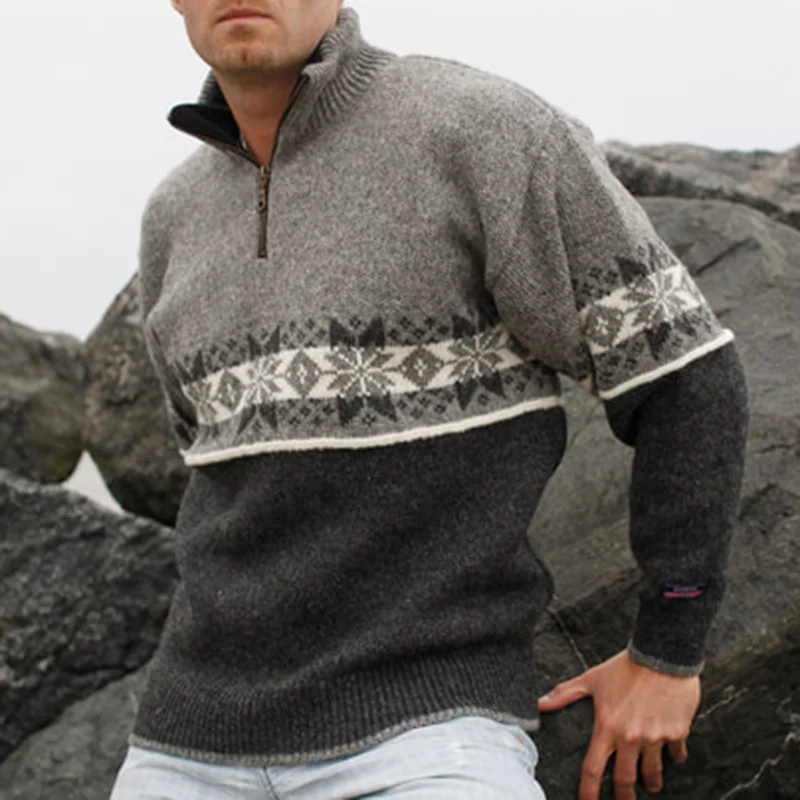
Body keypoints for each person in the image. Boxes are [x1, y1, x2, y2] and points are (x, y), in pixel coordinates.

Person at [110, 2, 749, 799]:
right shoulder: (173, 216)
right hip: (185, 747)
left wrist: (669, 651)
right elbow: (210, 479)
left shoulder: (480, 131)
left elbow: (686, 377)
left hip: (428, 737)